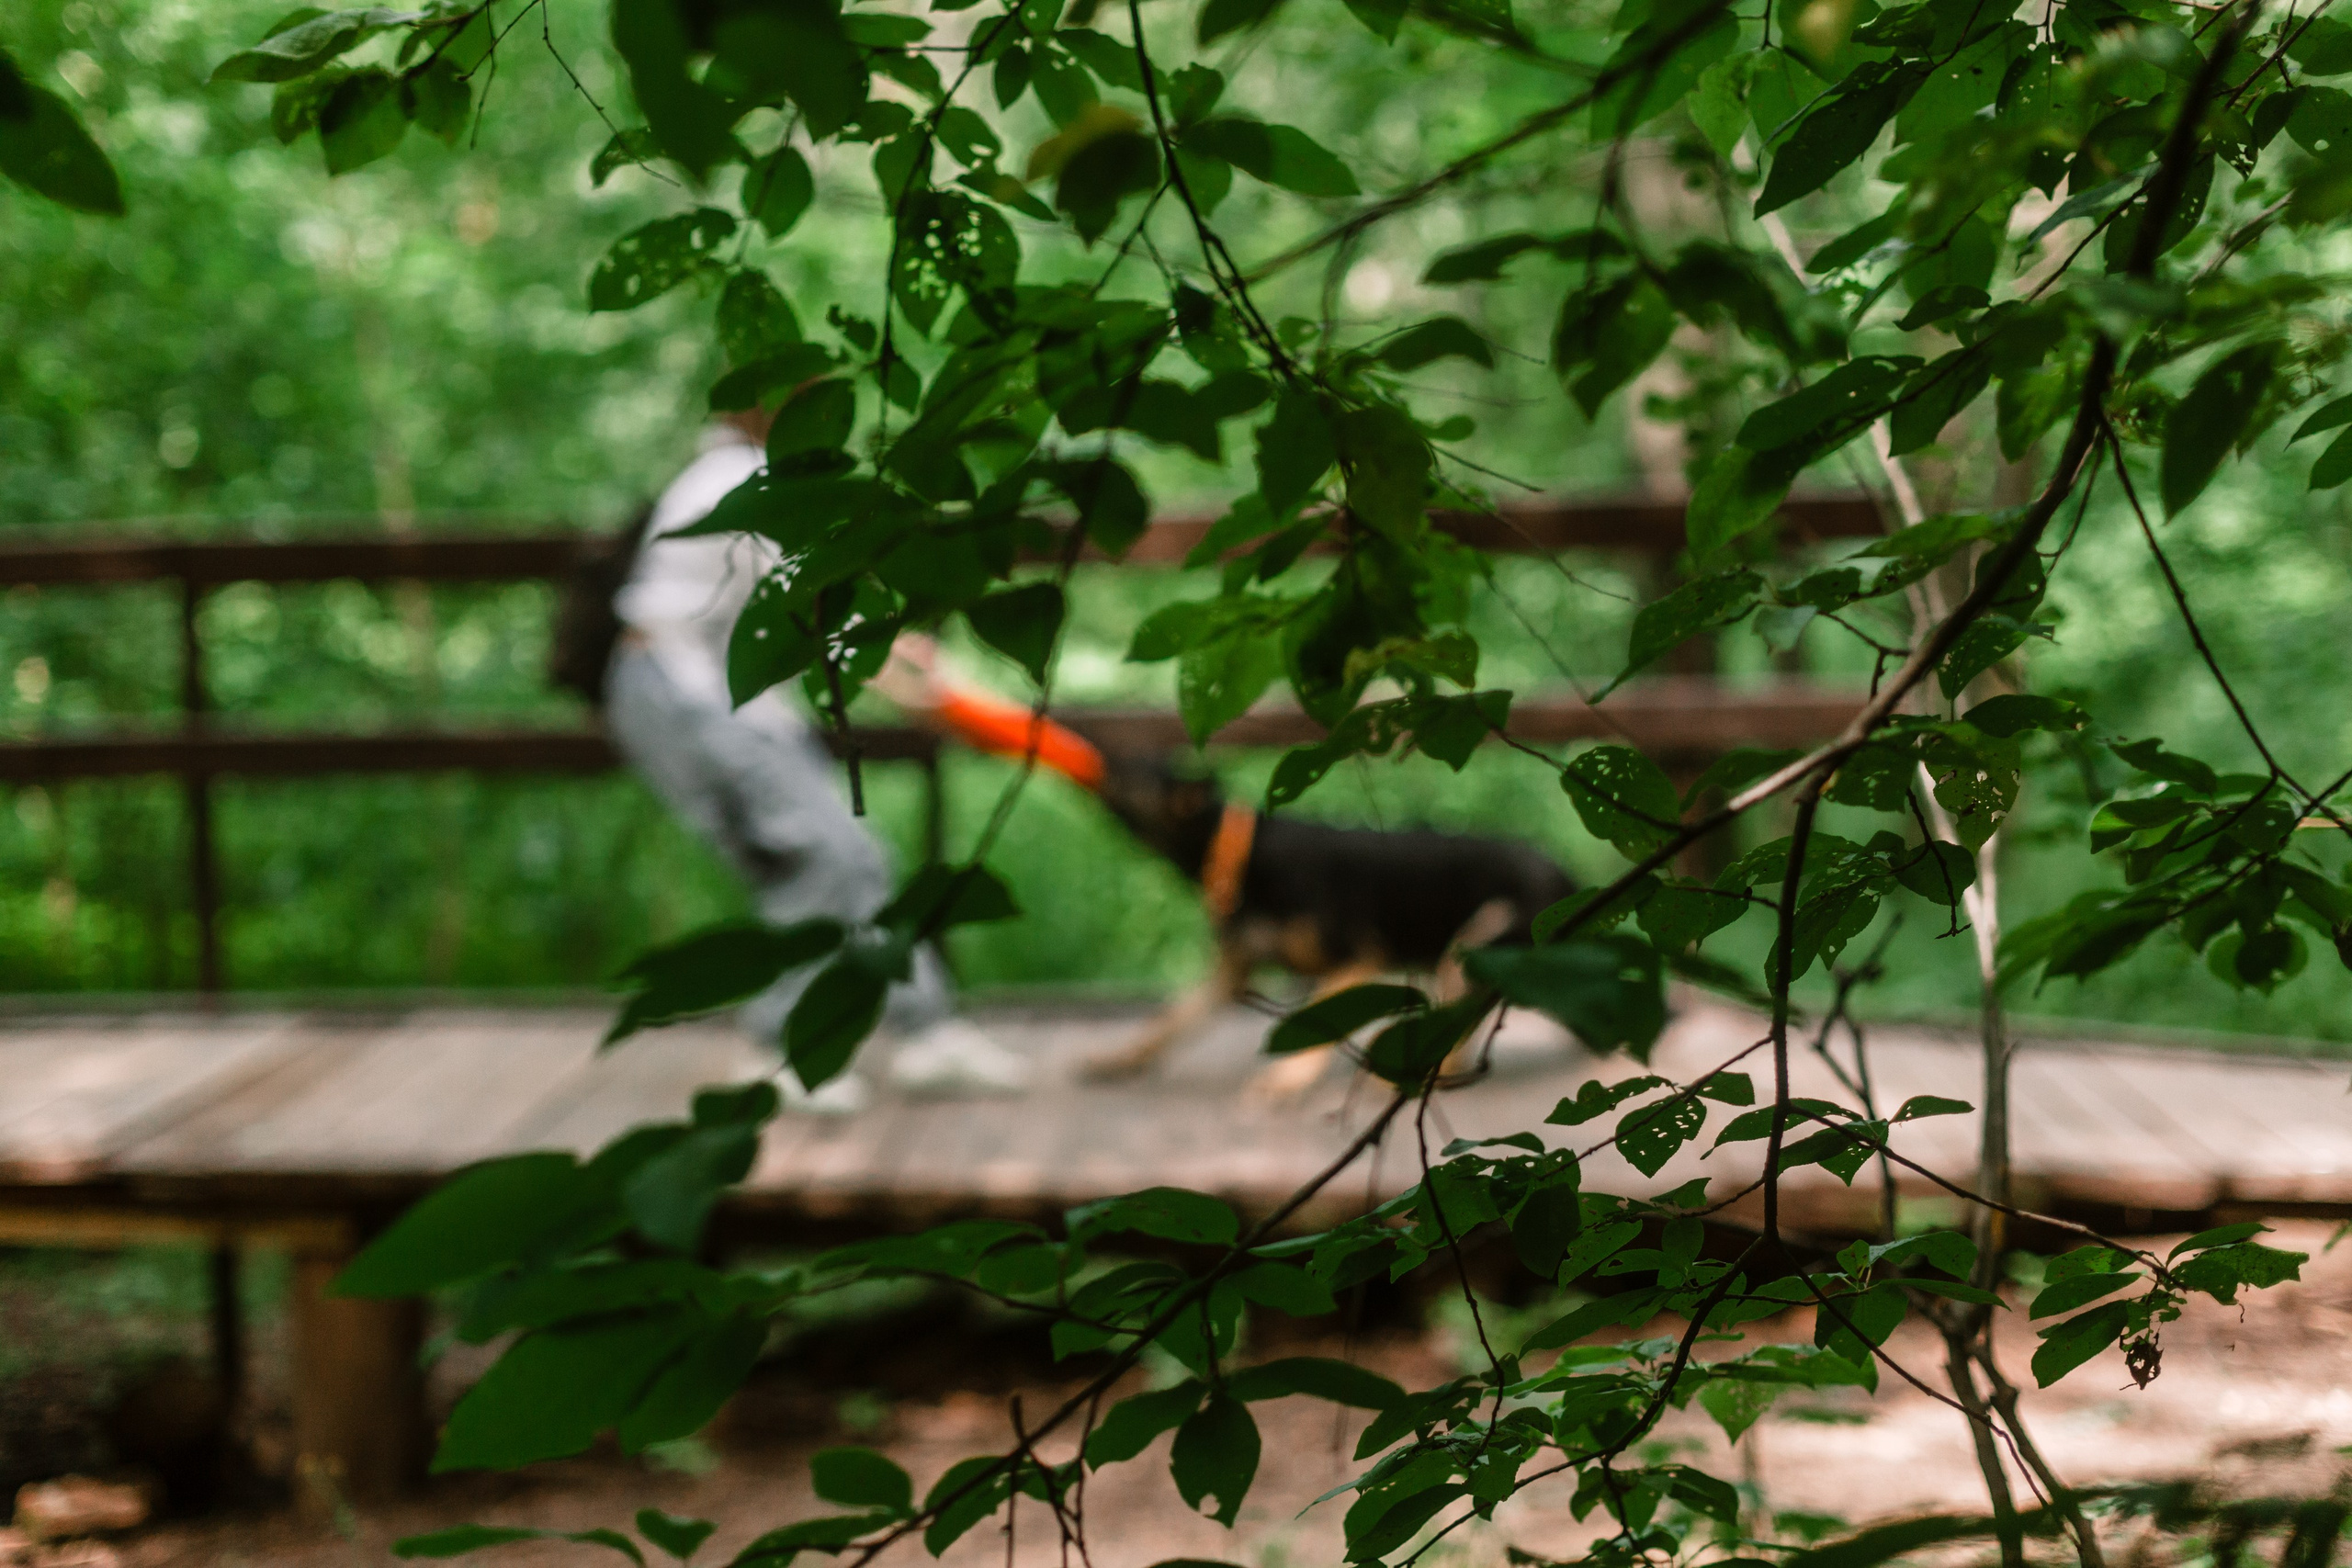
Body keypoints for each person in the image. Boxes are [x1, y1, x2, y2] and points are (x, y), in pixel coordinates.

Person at [603, 412, 1031, 1112]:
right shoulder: (738, 482)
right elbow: (823, 604)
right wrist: (925, 685)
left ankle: (925, 1033)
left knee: (855, 854)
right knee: (819, 857)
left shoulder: (744, 476)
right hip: (681, 696)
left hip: (727, 699)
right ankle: (781, 1049)